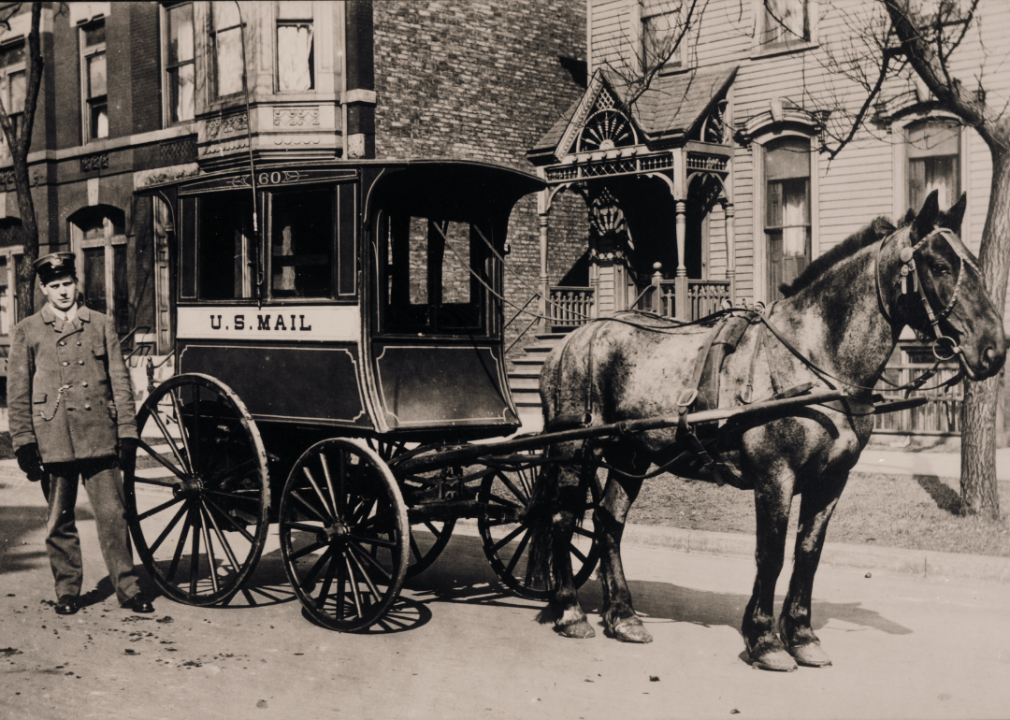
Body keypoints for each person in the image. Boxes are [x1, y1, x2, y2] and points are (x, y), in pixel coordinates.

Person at [8, 252, 153, 616]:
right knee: (59, 520)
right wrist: (24, 441)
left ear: (77, 284)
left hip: (98, 435)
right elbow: (19, 392)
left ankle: (128, 588)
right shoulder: (27, 329)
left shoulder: (100, 324)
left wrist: (127, 431)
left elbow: (120, 382)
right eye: (54, 286)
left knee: (113, 516)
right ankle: (68, 591)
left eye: (67, 284)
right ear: (43, 289)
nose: (62, 292)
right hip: (54, 436)